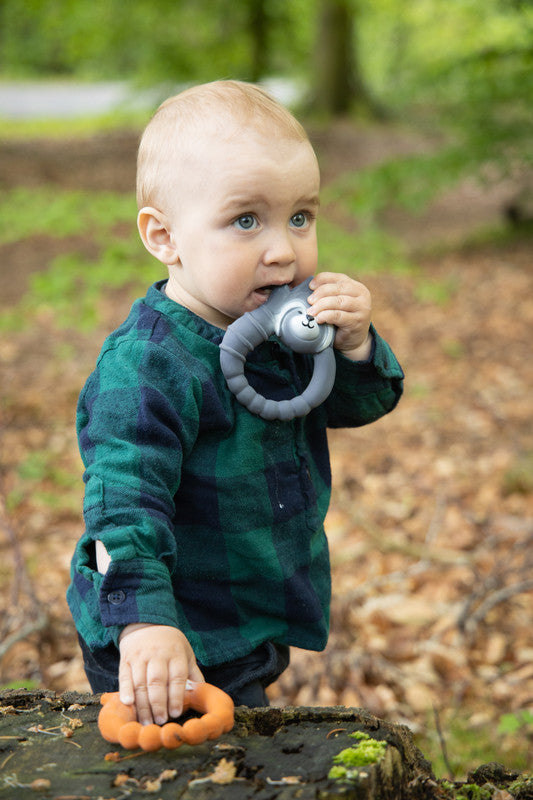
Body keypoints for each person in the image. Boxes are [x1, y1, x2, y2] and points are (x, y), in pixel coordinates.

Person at [67, 80, 404, 727]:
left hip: (246, 612)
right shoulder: (147, 365)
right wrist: (145, 623)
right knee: (197, 767)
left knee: (240, 744)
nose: (282, 249)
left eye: (299, 217)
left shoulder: (278, 326)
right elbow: (123, 505)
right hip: (166, 632)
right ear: (164, 238)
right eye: (245, 220)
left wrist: (357, 344)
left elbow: (350, 403)